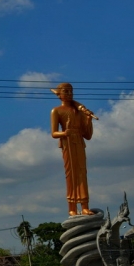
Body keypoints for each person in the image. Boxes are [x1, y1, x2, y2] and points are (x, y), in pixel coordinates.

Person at [50, 83, 95, 216]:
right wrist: (65, 133)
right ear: (59, 94)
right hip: (67, 143)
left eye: (71, 91)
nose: (69, 94)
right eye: (66, 91)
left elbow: (87, 135)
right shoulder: (56, 111)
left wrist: (88, 119)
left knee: (82, 174)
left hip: (79, 143)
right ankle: (72, 207)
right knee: (71, 175)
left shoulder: (79, 111)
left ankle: (85, 206)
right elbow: (53, 133)